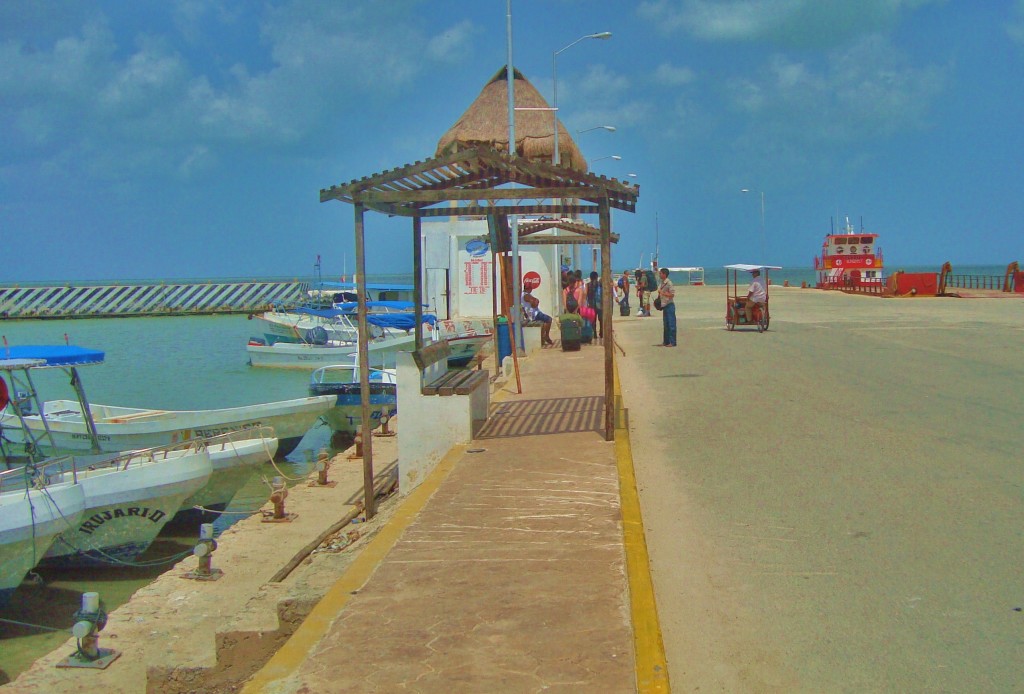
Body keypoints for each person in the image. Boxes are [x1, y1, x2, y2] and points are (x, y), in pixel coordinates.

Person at [656, 267, 676, 347]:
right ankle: (666, 341)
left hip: (669, 305)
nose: (659, 274)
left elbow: (672, 295)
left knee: (671, 324)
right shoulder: (661, 282)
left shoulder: (669, 283)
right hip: (664, 305)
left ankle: (672, 342)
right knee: (666, 325)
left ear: (664, 274)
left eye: (660, 273)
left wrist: (662, 293)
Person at [586, 271, 604, 339]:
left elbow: (586, 295)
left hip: (591, 304)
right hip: (600, 304)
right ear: (597, 277)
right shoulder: (600, 284)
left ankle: (594, 334)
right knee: (601, 319)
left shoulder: (588, 285)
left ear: (590, 278)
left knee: (593, 320)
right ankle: (601, 332)